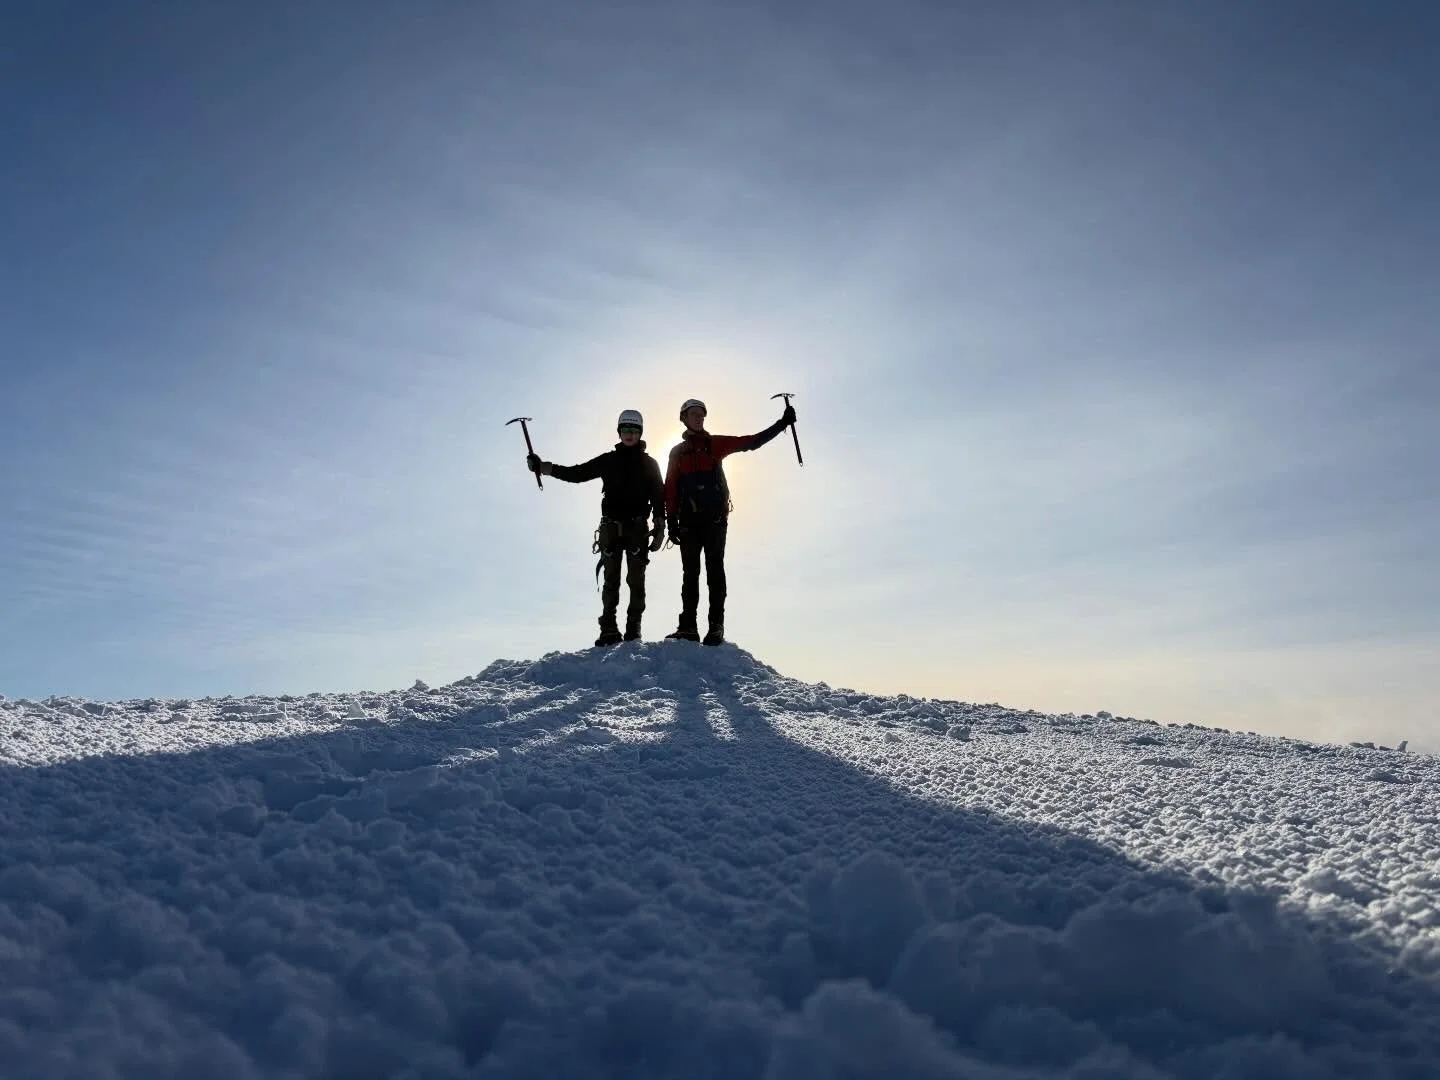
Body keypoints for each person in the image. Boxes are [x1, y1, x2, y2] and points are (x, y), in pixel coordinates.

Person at [663, 397, 796, 645]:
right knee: (690, 575)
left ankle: (716, 627)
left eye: (702, 414)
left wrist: (782, 424)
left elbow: (750, 442)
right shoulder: (677, 453)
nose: (699, 417)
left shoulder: (715, 444)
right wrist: (671, 521)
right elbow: (670, 488)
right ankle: (688, 627)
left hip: (714, 522)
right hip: (689, 523)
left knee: (715, 572)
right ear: (684, 418)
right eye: (694, 414)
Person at [528, 409, 665, 646]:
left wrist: (660, 526)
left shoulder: (650, 464)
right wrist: (543, 468)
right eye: (625, 430)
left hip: (637, 529)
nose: (629, 435)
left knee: (636, 581)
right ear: (619, 432)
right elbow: (577, 473)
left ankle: (634, 630)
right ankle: (609, 629)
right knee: (611, 580)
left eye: (633, 430)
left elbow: (659, 497)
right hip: (611, 528)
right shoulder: (608, 461)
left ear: (640, 433)